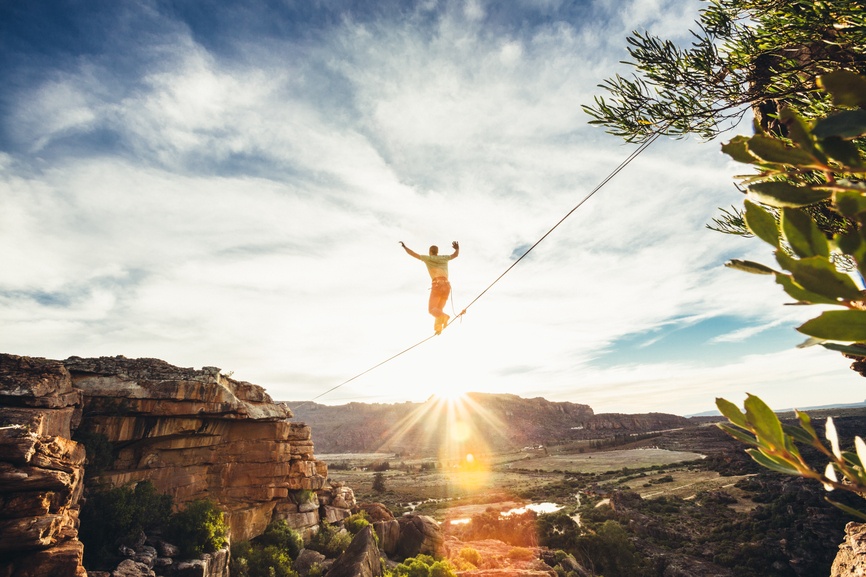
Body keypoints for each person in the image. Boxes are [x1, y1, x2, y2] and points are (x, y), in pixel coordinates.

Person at [399, 240, 459, 334]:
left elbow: (413, 254)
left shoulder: (428, 258)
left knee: (432, 309)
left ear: (430, 252)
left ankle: (445, 317)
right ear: (437, 252)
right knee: (438, 310)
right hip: (447, 286)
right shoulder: (444, 258)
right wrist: (457, 248)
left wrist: (405, 247)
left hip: (437, 286)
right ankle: (438, 327)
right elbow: (455, 255)